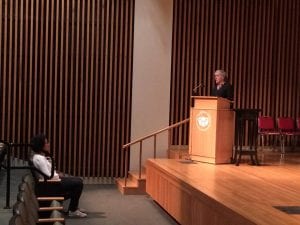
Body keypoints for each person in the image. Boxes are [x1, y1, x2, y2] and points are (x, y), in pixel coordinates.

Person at [30, 133, 87, 218]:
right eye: (46, 143)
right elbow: (50, 176)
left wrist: (56, 173)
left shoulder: (40, 157)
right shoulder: (39, 159)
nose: (48, 144)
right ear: (41, 145)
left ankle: (74, 207)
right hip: (51, 185)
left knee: (78, 180)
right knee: (78, 183)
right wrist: (58, 176)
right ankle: (73, 210)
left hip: (52, 182)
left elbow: (49, 173)